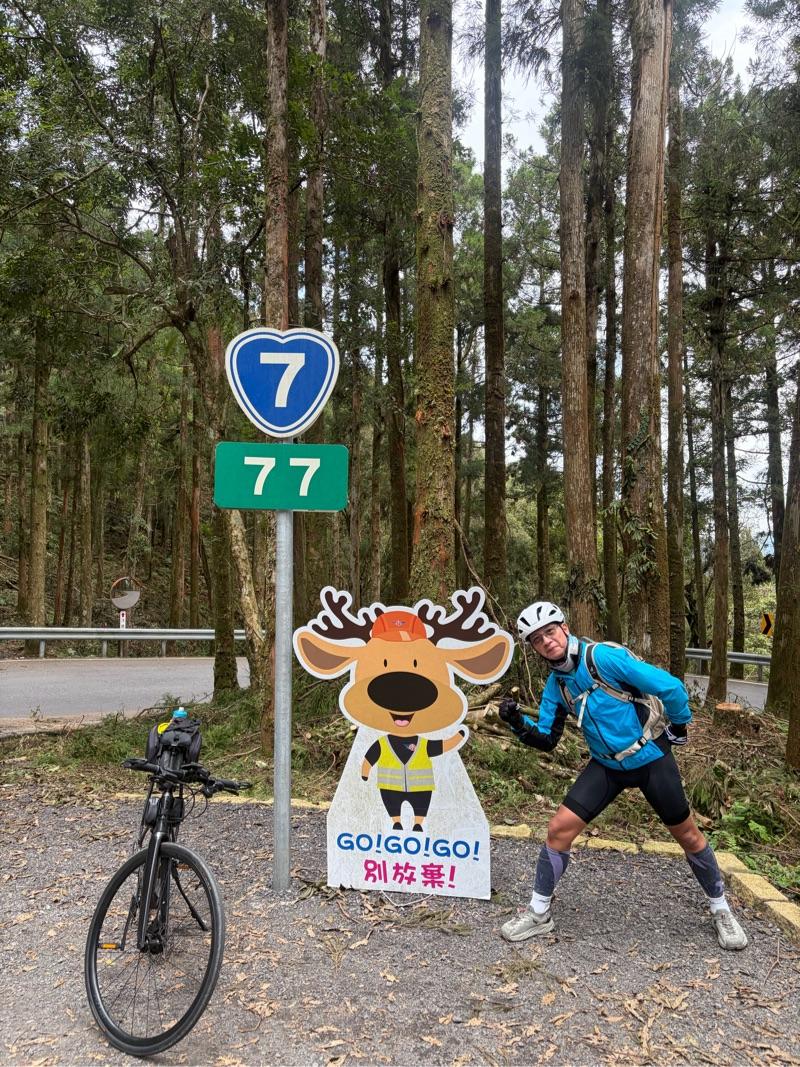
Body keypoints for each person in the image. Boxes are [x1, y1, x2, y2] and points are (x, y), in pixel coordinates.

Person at [498, 601, 748, 950]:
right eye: (537, 640)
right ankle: (539, 914)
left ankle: (721, 909)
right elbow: (547, 739)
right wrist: (516, 722)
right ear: (535, 649)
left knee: (689, 836)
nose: (547, 641)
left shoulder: (602, 658)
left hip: (650, 758)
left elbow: (671, 687)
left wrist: (679, 725)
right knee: (558, 830)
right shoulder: (557, 686)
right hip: (607, 766)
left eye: (550, 632)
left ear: (565, 628)